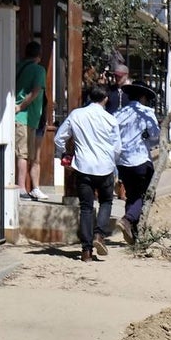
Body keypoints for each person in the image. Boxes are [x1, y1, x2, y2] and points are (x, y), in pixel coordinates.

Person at [54, 85, 121, 262]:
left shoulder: (76, 115)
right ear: (105, 98)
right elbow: (117, 148)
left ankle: (86, 251)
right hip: (105, 167)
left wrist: (64, 154)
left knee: (86, 208)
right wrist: (113, 163)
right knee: (106, 201)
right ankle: (99, 235)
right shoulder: (110, 119)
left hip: (83, 167)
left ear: (90, 97)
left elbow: (59, 138)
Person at [113, 85, 160, 245]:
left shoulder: (118, 114)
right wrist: (146, 137)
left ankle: (132, 235)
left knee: (132, 195)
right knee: (146, 195)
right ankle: (128, 220)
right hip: (140, 159)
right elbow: (155, 136)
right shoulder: (147, 113)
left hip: (122, 161)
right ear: (143, 98)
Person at [14, 41, 49, 201]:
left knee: (24, 153)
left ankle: (25, 187)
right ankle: (21, 188)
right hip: (26, 116)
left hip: (22, 117)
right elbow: (36, 91)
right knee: (23, 154)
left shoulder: (18, 66)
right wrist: (20, 107)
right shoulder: (39, 69)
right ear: (39, 56)